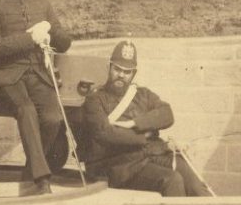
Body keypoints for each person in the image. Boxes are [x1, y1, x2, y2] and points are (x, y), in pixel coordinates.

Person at [0, 0, 71, 195]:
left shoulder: (43, 5)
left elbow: (65, 42)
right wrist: (29, 39)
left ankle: (28, 171)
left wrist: (50, 32)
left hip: (38, 75)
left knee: (53, 118)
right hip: (8, 77)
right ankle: (42, 179)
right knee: (26, 110)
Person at [82, 40, 213, 196]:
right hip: (119, 164)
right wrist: (145, 134)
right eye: (117, 69)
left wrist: (135, 123)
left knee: (193, 181)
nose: (121, 75)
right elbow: (105, 133)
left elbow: (167, 114)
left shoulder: (142, 94)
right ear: (109, 67)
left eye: (127, 71)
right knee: (172, 179)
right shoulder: (95, 99)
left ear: (133, 74)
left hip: (151, 154)